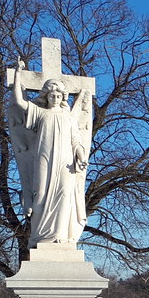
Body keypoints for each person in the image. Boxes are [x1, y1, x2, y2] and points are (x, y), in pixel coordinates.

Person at [9, 62, 91, 247]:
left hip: (65, 162)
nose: (55, 97)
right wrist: (17, 75)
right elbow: (19, 102)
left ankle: (60, 236)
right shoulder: (40, 112)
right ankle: (40, 236)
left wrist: (81, 156)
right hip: (44, 157)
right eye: (52, 95)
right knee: (41, 194)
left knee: (64, 193)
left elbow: (76, 141)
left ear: (63, 96)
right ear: (46, 96)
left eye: (59, 95)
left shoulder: (68, 117)